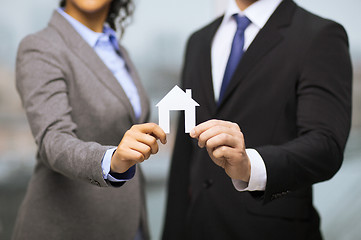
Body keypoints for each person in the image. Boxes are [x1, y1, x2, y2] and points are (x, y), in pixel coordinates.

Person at [163, 0, 352, 239]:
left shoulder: (319, 35)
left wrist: (249, 166)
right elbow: (184, 155)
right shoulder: (198, 41)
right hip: (198, 228)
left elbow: (325, 145)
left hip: (272, 231)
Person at [13, 0, 166, 239]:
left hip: (126, 222)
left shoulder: (117, 50)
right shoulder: (40, 46)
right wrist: (111, 160)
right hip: (69, 226)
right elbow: (52, 138)